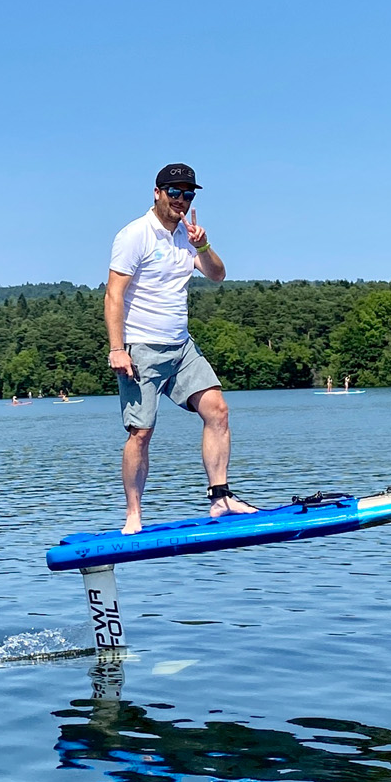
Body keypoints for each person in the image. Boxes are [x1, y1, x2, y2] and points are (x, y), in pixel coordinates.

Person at [106, 163, 255, 534]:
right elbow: (114, 294)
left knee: (218, 409)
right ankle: (134, 515)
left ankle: (220, 497)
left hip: (182, 346)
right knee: (141, 432)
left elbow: (218, 275)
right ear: (156, 193)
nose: (181, 200)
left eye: (188, 194)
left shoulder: (187, 237)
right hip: (141, 348)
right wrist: (116, 348)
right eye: (174, 192)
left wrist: (202, 244)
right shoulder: (135, 235)